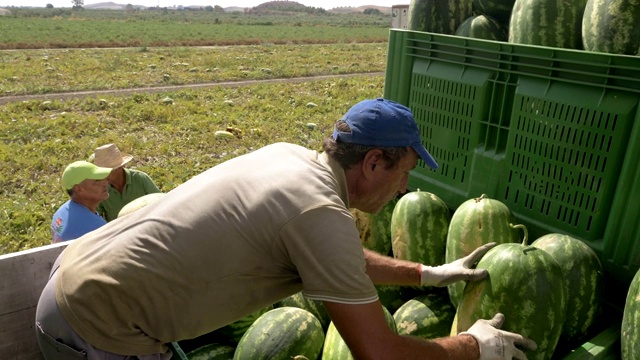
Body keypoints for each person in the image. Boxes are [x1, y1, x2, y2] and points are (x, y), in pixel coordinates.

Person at [36, 98, 536, 360]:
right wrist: (474, 347)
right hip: (99, 329)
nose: (405, 188)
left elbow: (342, 260)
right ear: (375, 163)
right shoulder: (320, 212)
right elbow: (381, 353)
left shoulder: (291, 158)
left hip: (70, 279)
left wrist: (429, 273)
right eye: (403, 172)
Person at [91, 143, 161, 222]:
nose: (102, 176)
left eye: (106, 172)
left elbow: (161, 201)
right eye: (100, 173)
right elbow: (95, 216)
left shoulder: (140, 179)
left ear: (119, 168)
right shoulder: (100, 188)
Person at [50, 161, 112, 243]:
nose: (105, 182)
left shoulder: (61, 212)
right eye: (97, 180)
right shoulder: (97, 228)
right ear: (78, 188)